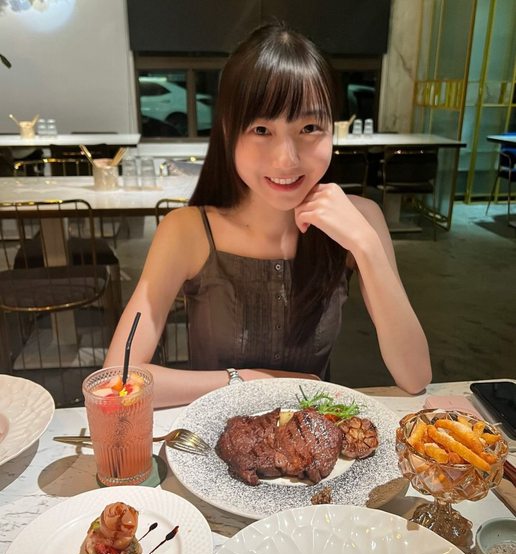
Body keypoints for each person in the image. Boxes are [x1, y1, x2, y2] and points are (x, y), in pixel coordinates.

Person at [105, 23, 431, 407]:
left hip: (314, 438)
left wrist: (366, 246)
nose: (286, 159)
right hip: (212, 436)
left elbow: (415, 377)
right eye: (262, 129)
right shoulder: (188, 231)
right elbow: (117, 380)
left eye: (309, 127)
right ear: (229, 131)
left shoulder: (361, 219)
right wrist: (246, 381)